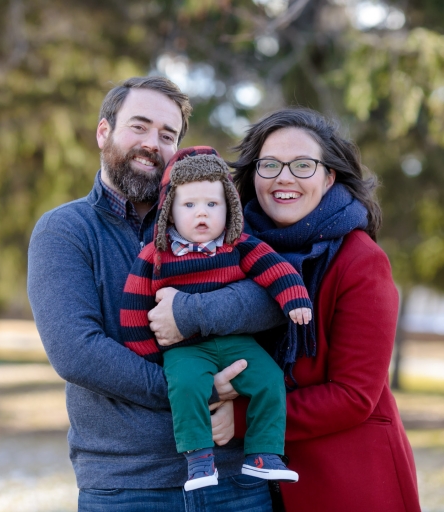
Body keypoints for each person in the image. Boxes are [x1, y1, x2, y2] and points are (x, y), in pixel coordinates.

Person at [27, 76, 284, 511]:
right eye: (139, 126)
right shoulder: (65, 231)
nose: (153, 143)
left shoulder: (215, 219)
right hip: (128, 485)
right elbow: (77, 351)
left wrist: (191, 311)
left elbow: (271, 299)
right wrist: (200, 390)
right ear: (103, 131)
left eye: (167, 136)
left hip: (233, 482)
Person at [229, 108, 422, 511]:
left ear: (328, 176)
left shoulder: (360, 260)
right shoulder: (235, 251)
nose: (284, 177)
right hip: (255, 485)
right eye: (270, 165)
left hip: (347, 480)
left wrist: (240, 419)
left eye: (303, 165)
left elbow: (353, 395)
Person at [119, 146, 310, 491]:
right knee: (188, 386)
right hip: (185, 349)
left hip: (236, 342)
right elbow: (132, 307)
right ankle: (198, 460)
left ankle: (264, 454)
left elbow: (276, 269)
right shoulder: (156, 255)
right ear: (170, 212)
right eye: (189, 205)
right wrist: (152, 356)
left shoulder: (238, 245)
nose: (201, 214)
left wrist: (294, 297)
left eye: (212, 204)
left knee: (269, 378)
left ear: (230, 208)